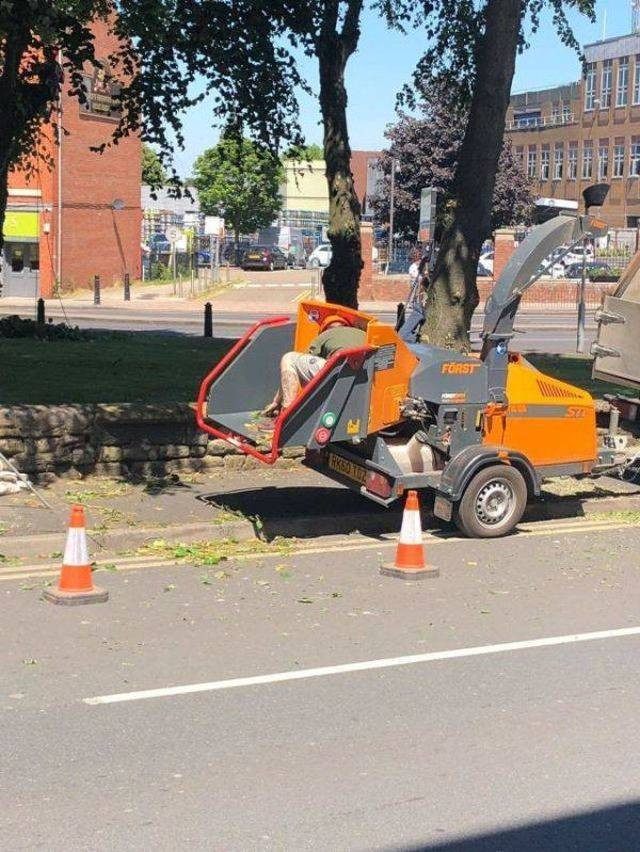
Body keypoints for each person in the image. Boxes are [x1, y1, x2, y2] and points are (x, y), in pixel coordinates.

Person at [261, 315, 366, 418]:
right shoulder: (363, 334)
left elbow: (297, 366)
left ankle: (286, 413)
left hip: (338, 373)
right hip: (363, 378)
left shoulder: (325, 334)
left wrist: (276, 401)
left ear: (325, 329)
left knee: (289, 358)